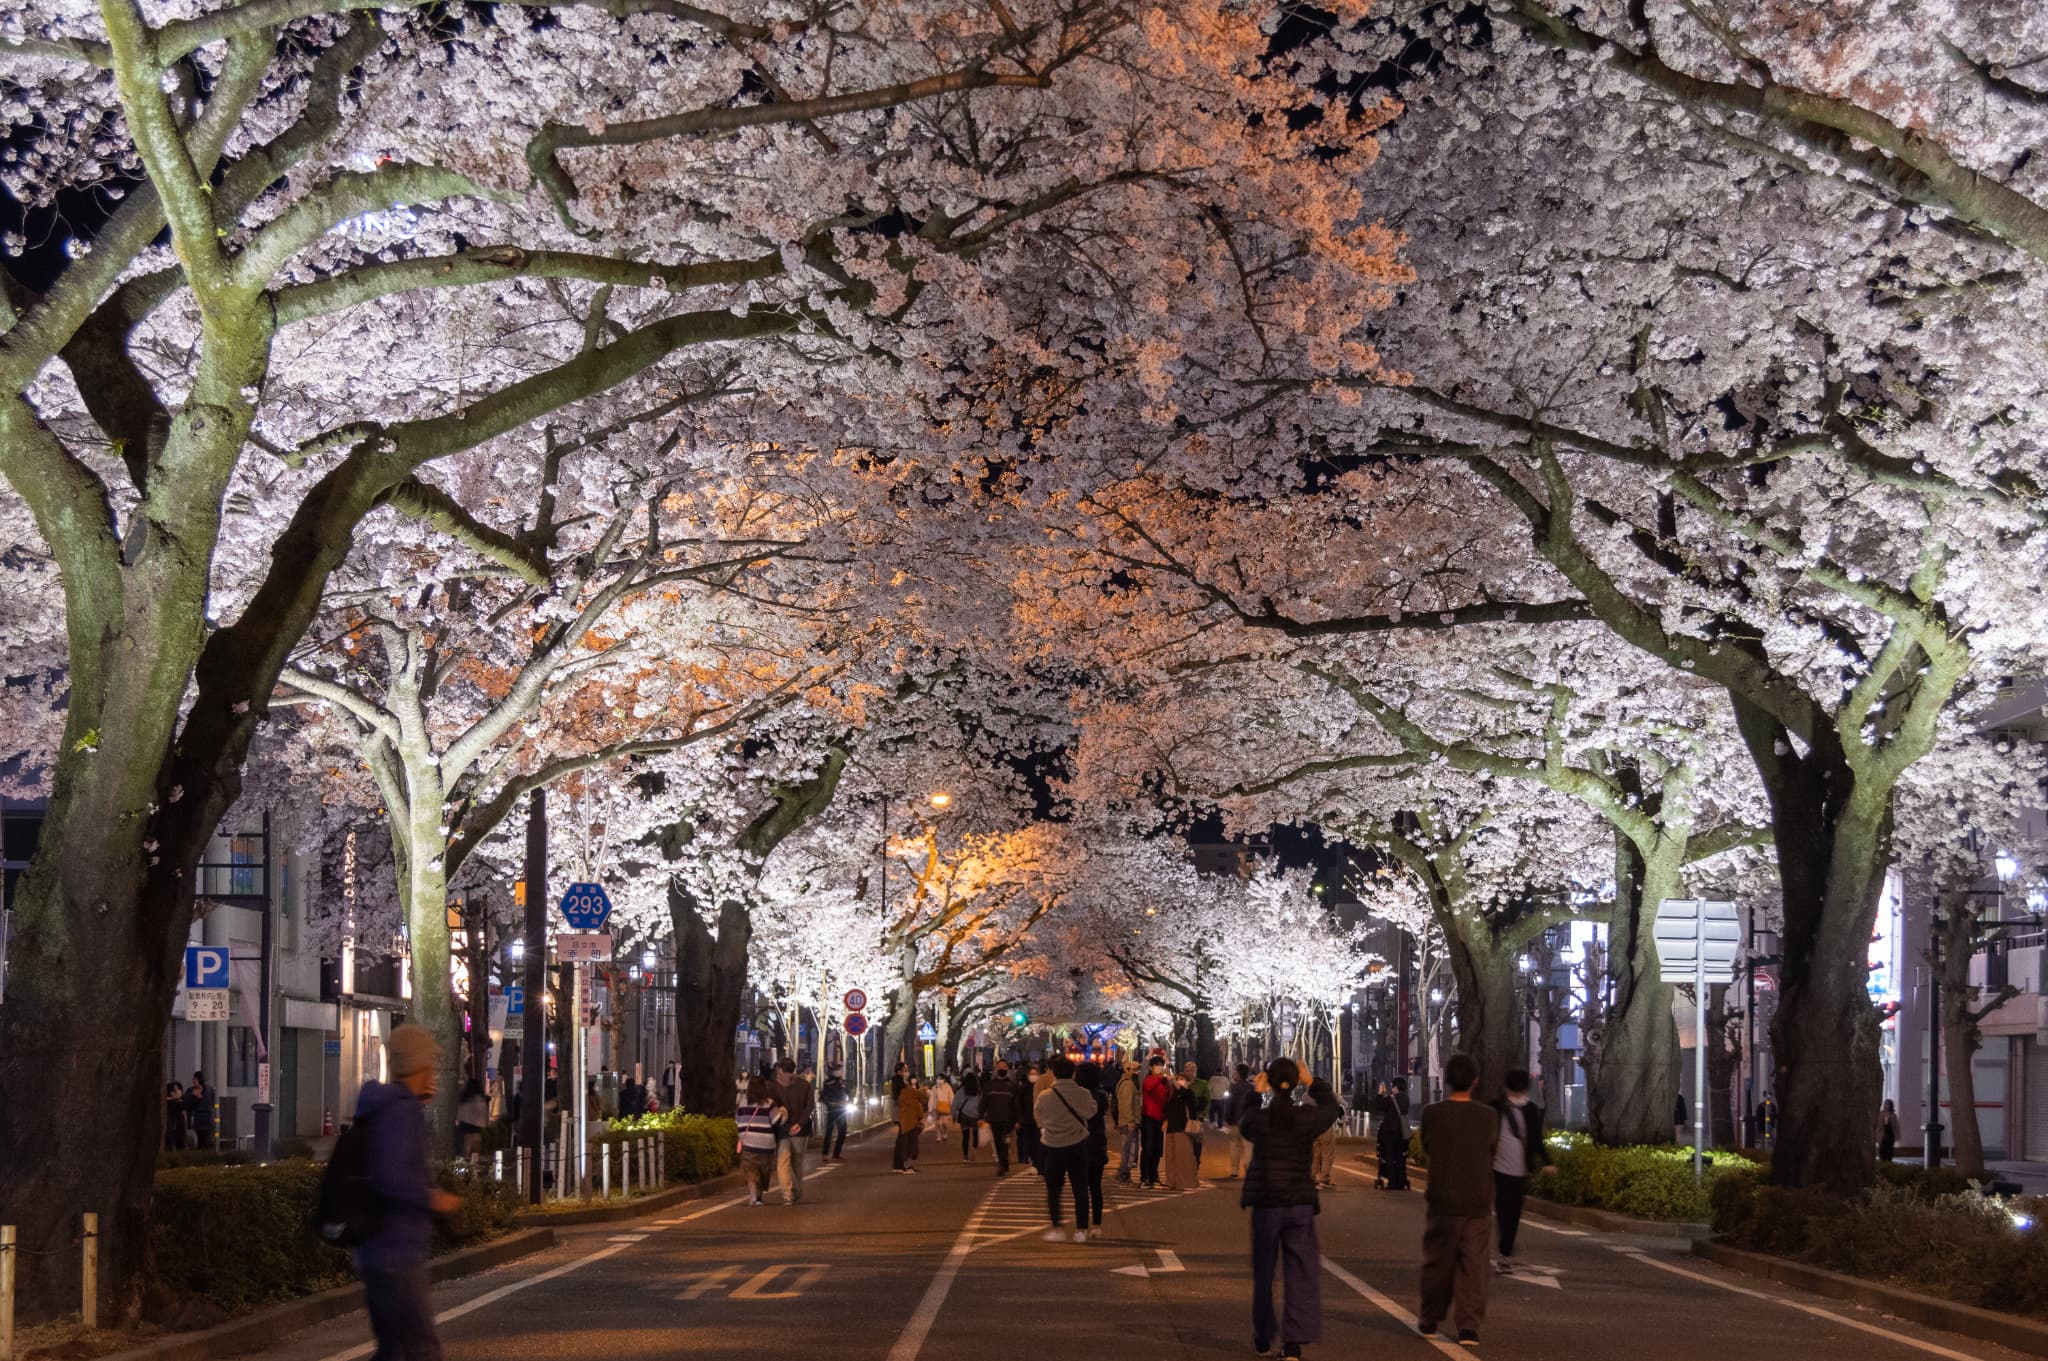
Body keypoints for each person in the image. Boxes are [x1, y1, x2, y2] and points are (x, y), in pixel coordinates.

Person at [353, 1023, 464, 1361]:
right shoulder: (401, 1112)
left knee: (394, 1351)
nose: (434, 1073)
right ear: (417, 1066)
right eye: (430, 1064)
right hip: (396, 1251)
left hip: (376, 1250)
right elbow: (393, 1176)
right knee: (421, 1350)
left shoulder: (385, 1107)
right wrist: (432, 1197)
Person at [1239, 1057, 1342, 1361]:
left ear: (1267, 1081)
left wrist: (1257, 1094)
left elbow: (1243, 1120)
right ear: (1296, 1082)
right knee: (1301, 1272)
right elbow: (1332, 1109)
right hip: (1298, 1203)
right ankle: (1293, 1342)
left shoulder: (1259, 1118)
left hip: (1267, 1202)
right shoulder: (1306, 1117)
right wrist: (1312, 1082)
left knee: (1263, 1271)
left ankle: (1263, 1335)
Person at [1418, 1054, 1498, 1346]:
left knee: (1438, 1262)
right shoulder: (1489, 1116)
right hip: (1477, 1199)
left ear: (1447, 1080)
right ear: (1475, 1081)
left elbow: (1426, 1145)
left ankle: (1430, 1318)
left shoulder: (1432, 1114)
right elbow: (1492, 1149)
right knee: (1474, 1265)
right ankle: (1468, 1327)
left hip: (1443, 1199)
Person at [1492, 1069, 1553, 1274]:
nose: (1520, 1095)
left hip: (1521, 1170)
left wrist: (1546, 1162)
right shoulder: (1496, 1108)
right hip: (1498, 1169)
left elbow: (1536, 1140)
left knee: (1515, 1213)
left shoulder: (1530, 1110)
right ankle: (1505, 1251)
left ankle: (1506, 1249)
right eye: (1516, 1091)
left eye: (1522, 1091)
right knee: (1502, 1210)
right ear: (1508, 1089)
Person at [1034, 1057, 1094, 1241]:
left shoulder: (1045, 1096)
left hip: (1052, 1145)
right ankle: (1081, 1230)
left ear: (1053, 1072)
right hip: (1077, 1143)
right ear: (1073, 1073)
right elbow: (1091, 1111)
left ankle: (1057, 1228)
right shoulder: (1082, 1093)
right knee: (1080, 1188)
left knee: (1054, 1189)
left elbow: (1039, 1118)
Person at [736, 1076, 788, 1206]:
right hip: (766, 1144)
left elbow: (737, 1121)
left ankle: (753, 1194)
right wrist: (784, 1112)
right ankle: (758, 1197)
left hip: (748, 1142)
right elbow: (777, 1121)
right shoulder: (769, 1103)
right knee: (763, 1170)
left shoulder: (742, 1103)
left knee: (751, 1170)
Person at [1074, 1062, 1111, 1234]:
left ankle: (1081, 1227)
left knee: (1081, 1189)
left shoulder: (1077, 1095)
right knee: (1096, 1187)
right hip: (1097, 1142)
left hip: (1079, 1143)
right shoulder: (1101, 1096)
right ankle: (1097, 1225)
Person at [772, 1058, 814, 1203]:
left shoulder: (775, 1086)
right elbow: (810, 1105)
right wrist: (800, 1124)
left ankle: (788, 1193)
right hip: (801, 1130)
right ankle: (794, 1191)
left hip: (782, 1130)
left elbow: (772, 1107)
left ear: (780, 1070)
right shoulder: (804, 1085)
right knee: (797, 1163)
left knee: (783, 1162)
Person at [1163, 1069, 1201, 1190]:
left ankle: (1184, 1182)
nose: (1179, 1081)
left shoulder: (1189, 1093)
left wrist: (1173, 1080)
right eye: (1178, 1079)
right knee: (1170, 1157)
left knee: (1183, 1157)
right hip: (1171, 1128)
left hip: (1183, 1129)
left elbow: (1183, 1092)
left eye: (1182, 1079)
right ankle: (1171, 1181)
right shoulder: (1172, 1094)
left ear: (1188, 1083)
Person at [1140, 1054, 1171, 1187]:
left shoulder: (1163, 1082)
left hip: (1159, 1118)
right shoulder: (1148, 1079)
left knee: (1158, 1149)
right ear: (1151, 1067)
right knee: (1148, 1148)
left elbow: (1167, 1098)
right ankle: (1144, 1176)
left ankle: (1153, 1175)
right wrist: (1160, 1077)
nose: (1159, 1068)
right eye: (1157, 1066)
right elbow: (1148, 1087)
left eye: (1161, 1065)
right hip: (1148, 1117)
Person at [981, 1064, 1018, 1175]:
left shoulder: (1012, 1086)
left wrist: (1017, 1120)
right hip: (994, 1118)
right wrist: (980, 1116)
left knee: (1005, 1142)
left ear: (1007, 1070)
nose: (1001, 1069)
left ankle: (1002, 1164)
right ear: (996, 1070)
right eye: (999, 1068)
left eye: (1004, 1068)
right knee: (997, 1142)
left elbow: (1016, 1105)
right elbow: (984, 1102)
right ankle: (1003, 1163)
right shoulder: (990, 1085)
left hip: (1008, 1119)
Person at [1374, 1080, 1410, 1191]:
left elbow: (1379, 1106)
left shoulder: (1391, 1099)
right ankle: (1401, 1181)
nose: (1392, 1089)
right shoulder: (1406, 1099)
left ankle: (1392, 1182)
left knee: (1389, 1157)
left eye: (1392, 1086)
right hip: (1401, 1133)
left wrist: (1380, 1093)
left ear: (1396, 1087)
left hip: (1389, 1133)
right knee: (1400, 1157)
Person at [1224, 1063, 1256, 1178]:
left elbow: (1229, 1104)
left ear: (1238, 1073)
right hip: (1248, 1120)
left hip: (1234, 1120)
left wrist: (1226, 1118)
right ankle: (1248, 1167)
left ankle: (1234, 1170)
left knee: (1234, 1145)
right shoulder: (1252, 1088)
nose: (1234, 1073)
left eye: (1235, 1071)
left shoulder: (1234, 1087)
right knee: (1248, 1145)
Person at [1115, 1060, 1144, 1184]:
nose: (1136, 1072)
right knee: (1129, 1149)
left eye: (1137, 1069)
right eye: (1134, 1070)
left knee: (1129, 1148)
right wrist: (1131, 1121)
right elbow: (1126, 1105)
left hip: (1127, 1121)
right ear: (1127, 1070)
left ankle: (1124, 1173)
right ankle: (1123, 1174)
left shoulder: (1128, 1082)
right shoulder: (1128, 1084)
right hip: (1128, 1122)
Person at [894, 1074, 928, 1173]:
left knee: (906, 1144)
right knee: (911, 1145)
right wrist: (924, 1089)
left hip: (905, 1122)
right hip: (912, 1122)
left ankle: (905, 1166)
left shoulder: (901, 1094)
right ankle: (908, 1167)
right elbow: (923, 1095)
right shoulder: (908, 1091)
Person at [1181, 1061, 1209, 1169]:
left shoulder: (1202, 1084)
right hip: (1183, 1116)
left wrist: (1203, 1114)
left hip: (1196, 1116)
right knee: (1184, 1139)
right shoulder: (1181, 1083)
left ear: (1195, 1071)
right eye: (1187, 1070)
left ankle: (1196, 1160)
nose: (1190, 1073)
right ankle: (1186, 1161)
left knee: (1196, 1139)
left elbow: (1207, 1100)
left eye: (1192, 1070)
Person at [1016, 1063, 1045, 1168]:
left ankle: (1036, 1161)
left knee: (1037, 1141)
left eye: (1035, 1074)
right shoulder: (1023, 1089)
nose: (1033, 1076)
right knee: (1027, 1140)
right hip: (1026, 1119)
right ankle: (1028, 1158)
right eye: (1031, 1074)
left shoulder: (1042, 1089)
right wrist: (1019, 1119)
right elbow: (1019, 1104)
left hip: (1038, 1120)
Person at [820, 1066, 851, 1162]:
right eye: (836, 1070)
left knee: (842, 1132)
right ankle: (825, 1154)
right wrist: (831, 1103)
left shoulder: (844, 1083)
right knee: (829, 1132)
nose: (839, 1072)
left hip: (842, 1110)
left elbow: (848, 1094)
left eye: (840, 1070)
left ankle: (837, 1153)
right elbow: (823, 1098)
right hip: (832, 1110)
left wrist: (847, 1100)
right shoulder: (828, 1083)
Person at [456, 1078, 489, 1161]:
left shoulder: (464, 1098)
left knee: (466, 1150)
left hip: (464, 1127)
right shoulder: (479, 1099)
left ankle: (464, 1168)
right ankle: (473, 1168)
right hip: (476, 1128)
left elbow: (460, 1112)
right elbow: (482, 1115)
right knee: (475, 1151)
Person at [188, 1072, 216, 1152]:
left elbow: (212, 1102)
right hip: (199, 1119)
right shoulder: (192, 1090)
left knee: (206, 1140)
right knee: (201, 1140)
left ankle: (205, 1154)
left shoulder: (208, 1090)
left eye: (195, 1079)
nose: (193, 1080)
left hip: (206, 1119)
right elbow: (188, 1104)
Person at [957, 1073, 983, 1161]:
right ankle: (974, 1149)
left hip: (964, 1115)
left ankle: (965, 1156)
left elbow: (956, 1103)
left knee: (965, 1136)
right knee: (975, 1134)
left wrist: (953, 1114)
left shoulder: (961, 1090)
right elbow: (981, 1104)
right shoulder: (978, 1091)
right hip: (975, 1116)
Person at [164, 1081, 189, 1152]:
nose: (179, 1092)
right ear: (171, 1093)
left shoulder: (180, 1102)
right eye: (176, 1090)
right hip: (172, 1131)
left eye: (179, 1089)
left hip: (180, 1131)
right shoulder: (171, 1103)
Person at [933, 1073, 955, 1142]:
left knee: (944, 1123)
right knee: (937, 1123)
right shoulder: (935, 1087)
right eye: (938, 1078)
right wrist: (931, 1108)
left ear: (944, 1079)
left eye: (940, 1079)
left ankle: (945, 1133)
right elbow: (932, 1098)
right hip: (936, 1107)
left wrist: (952, 1105)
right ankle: (938, 1136)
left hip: (945, 1107)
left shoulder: (948, 1087)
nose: (939, 1080)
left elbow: (951, 1097)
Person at [1877, 1098, 1901, 1162]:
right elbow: (1878, 1125)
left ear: (1890, 1105)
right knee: (1882, 1150)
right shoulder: (1881, 1114)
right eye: (1885, 1104)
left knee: (1889, 1151)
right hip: (1882, 1134)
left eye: (1888, 1104)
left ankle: (1889, 1162)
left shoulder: (1893, 1115)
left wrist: (1898, 1136)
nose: (1886, 1105)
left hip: (1890, 1135)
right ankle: (1882, 1162)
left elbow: (1896, 1126)